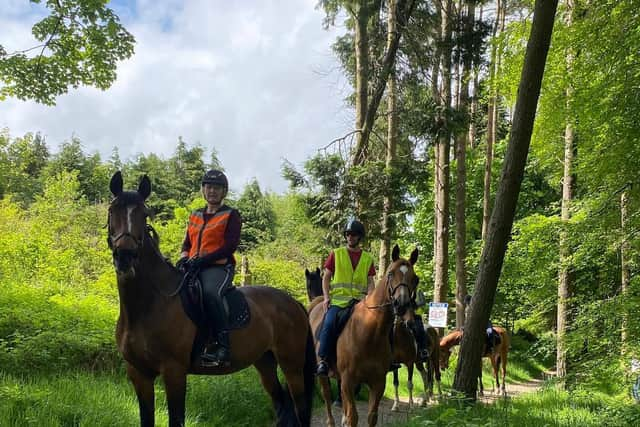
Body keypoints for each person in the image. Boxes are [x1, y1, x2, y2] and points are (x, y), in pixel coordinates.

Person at [176, 169, 241, 367]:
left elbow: (230, 246)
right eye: (209, 187)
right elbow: (187, 243)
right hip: (193, 266)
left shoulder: (231, 214)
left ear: (224, 192)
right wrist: (184, 258)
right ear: (203, 190)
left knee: (211, 294)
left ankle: (223, 347)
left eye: (217, 188)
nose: (212, 191)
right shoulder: (195, 215)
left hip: (219, 267)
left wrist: (204, 260)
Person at [316, 219, 376, 376]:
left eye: (354, 234)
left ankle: (383, 360)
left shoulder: (367, 259)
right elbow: (326, 277)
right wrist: (326, 297)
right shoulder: (336, 254)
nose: (350, 237)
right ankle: (323, 360)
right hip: (339, 302)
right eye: (348, 234)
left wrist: (370, 299)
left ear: (359, 237)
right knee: (328, 324)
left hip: (360, 303)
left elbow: (371, 282)